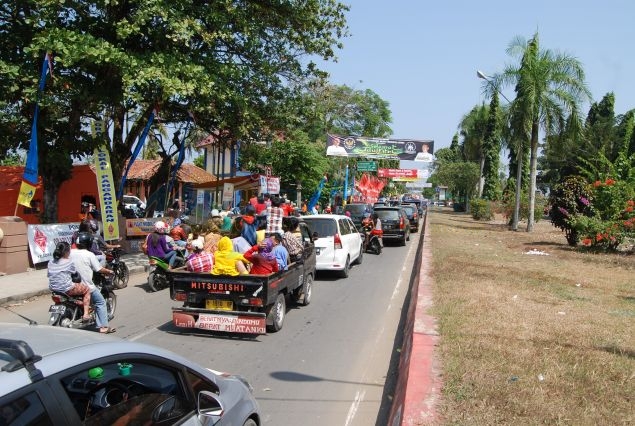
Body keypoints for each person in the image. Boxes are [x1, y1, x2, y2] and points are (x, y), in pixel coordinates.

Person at [70, 232, 115, 334]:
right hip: (86, 287)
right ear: (89, 243)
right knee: (100, 302)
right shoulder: (89, 255)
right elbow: (99, 269)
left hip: (71, 286)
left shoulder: (70, 253)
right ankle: (103, 327)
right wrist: (109, 271)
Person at [48, 241, 91, 321]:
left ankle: (76, 304)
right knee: (87, 289)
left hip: (54, 289)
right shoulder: (69, 261)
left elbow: (49, 274)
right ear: (66, 252)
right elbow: (74, 273)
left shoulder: (50, 262)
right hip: (66, 289)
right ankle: (86, 314)